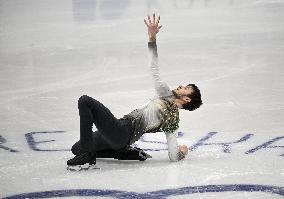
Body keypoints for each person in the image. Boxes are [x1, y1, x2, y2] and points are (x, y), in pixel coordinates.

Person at [67, 14, 202, 167]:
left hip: (121, 130)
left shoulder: (166, 96)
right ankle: (121, 152)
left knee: (85, 101)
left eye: (185, 88)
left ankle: (88, 154)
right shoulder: (173, 122)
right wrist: (181, 152)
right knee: (76, 148)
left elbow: (154, 69)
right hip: (122, 138)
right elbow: (173, 156)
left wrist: (152, 39)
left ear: (187, 99)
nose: (180, 86)